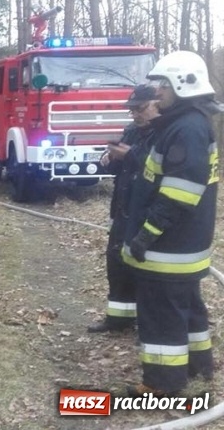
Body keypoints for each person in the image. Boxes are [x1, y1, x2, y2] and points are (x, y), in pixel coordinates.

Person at [122, 51, 221, 396]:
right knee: (186, 306)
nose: (156, 92)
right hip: (183, 245)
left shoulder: (187, 129)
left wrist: (146, 234)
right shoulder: (183, 124)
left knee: (162, 316)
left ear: (181, 84)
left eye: (161, 85)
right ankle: (198, 365)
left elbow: (179, 194)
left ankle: (162, 383)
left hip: (168, 246)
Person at [88, 85, 158, 333]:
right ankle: (118, 319)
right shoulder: (132, 131)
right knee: (116, 263)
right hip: (123, 208)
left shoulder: (165, 133)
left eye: (141, 108)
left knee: (145, 271)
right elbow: (122, 166)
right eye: (132, 110)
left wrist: (129, 156)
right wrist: (109, 160)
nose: (136, 115)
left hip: (147, 212)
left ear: (156, 104)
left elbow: (157, 170)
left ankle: (148, 325)